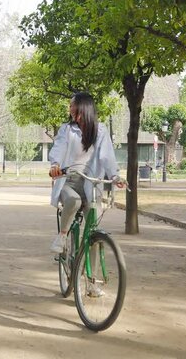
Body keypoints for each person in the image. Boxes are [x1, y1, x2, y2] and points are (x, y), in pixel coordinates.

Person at [48, 92, 124, 254]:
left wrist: (114, 176)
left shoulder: (101, 131)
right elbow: (59, 148)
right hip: (68, 181)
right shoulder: (67, 130)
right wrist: (55, 164)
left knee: (92, 227)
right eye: (70, 106)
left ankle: (91, 275)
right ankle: (62, 236)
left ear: (83, 107)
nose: (70, 109)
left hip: (91, 182)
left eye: (72, 105)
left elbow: (107, 156)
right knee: (74, 201)